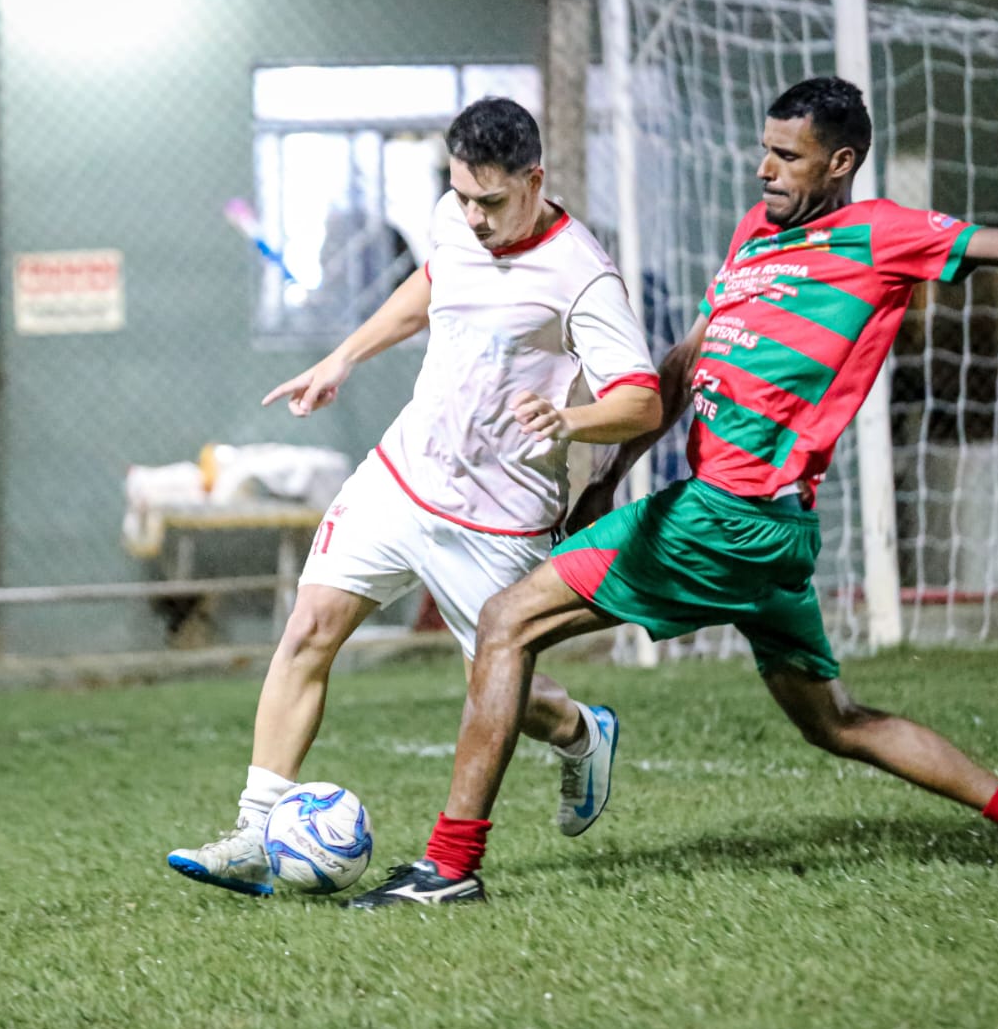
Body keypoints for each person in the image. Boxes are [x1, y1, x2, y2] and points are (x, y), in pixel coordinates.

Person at [348, 76, 998, 908]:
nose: (765, 168)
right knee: (835, 721)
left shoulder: (884, 235)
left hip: (729, 518)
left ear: (839, 163)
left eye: (789, 156)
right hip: (764, 533)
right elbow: (687, 362)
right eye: (764, 151)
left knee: (505, 623)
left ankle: (448, 867)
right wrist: (611, 474)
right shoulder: (753, 234)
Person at [167, 97, 662, 897]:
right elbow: (432, 282)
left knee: (502, 693)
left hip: (498, 518)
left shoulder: (581, 276)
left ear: (535, 181)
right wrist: (343, 358)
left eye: (490, 201)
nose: (471, 216)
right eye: (461, 195)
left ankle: (577, 731)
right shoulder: (453, 220)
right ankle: (257, 831)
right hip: (401, 476)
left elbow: (642, 400)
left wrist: (569, 419)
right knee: (308, 629)